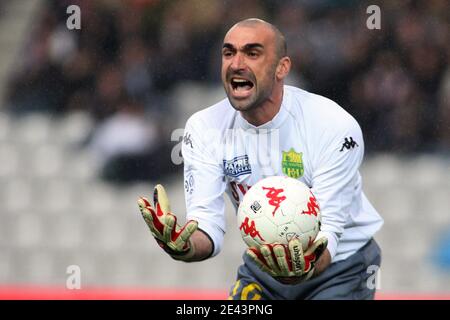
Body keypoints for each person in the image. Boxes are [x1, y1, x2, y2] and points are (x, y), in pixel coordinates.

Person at [137, 18, 383, 300]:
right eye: (229, 53)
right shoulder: (204, 128)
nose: (236, 63)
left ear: (282, 67)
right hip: (264, 266)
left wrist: (302, 268)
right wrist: (184, 245)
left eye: (252, 53)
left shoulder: (332, 125)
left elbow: (327, 237)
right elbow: (207, 226)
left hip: (340, 268)